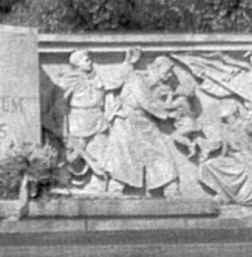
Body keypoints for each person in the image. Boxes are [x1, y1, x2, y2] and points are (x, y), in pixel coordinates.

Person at [54, 48, 137, 191]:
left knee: (100, 153)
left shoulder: (98, 77)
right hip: (78, 122)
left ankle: (99, 185)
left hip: (98, 121)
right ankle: (69, 183)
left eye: (90, 59)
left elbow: (117, 80)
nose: (90, 62)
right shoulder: (69, 80)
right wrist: (64, 128)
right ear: (77, 64)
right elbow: (60, 103)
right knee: (74, 156)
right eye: (86, 60)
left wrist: (128, 63)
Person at [106, 56, 183, 197]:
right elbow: (146, 102)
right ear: (156, 68)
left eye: (171, 72)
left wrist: (171, 104)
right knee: (125, 155)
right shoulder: (137, 79)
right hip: (127, 122)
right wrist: (167, 115)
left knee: (160, 151)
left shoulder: (157, 86)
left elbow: (154, 102)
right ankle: (115, 187)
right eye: (167, 70)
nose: (169, 75)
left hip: (145, 122)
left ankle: (170, 187)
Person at [198, 106, 252, 206]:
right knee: (208, 165)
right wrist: (205, 149)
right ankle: (224, 194)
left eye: (227, 118)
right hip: (236, 162)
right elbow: (218, 145)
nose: (225, 121)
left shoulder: (247, 125)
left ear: (235, 115)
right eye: (223, 119)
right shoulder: (226, 129)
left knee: (244, 200)